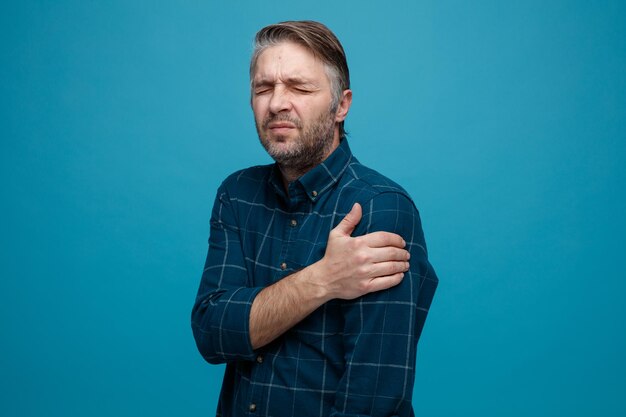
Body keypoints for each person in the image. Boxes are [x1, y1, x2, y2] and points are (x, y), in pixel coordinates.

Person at [191, 20, 438, 417]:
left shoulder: (381, 207)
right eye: (263, 88)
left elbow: (373, 399)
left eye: (299, 88)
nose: (276, 103)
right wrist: (323, 279)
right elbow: (213, 333)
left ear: (342, 105)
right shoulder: (237, 194)